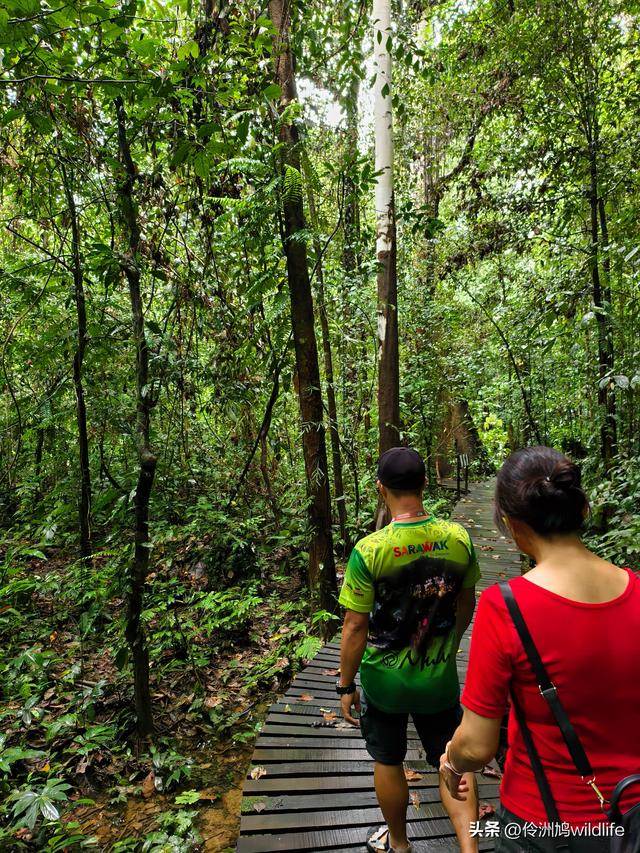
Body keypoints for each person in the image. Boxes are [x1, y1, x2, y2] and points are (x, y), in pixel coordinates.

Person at [439, 445, 640, 851]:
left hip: (543, 826)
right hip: (633, 818)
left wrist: (451, 761)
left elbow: (478, 745)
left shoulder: (504, 606)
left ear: (512, 525)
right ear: (582, 509)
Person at [338, 447, 481, 853]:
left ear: (381, 489)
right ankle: (470, 847)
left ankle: (398, 843)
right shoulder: (458, 538)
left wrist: (345, 685)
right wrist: (449, 645)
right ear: (423, 484)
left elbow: (354, 626)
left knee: (387, 759)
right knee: (455, 760)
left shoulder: (369, 550)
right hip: (438, 679)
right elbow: (466, 603)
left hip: (385, 683)